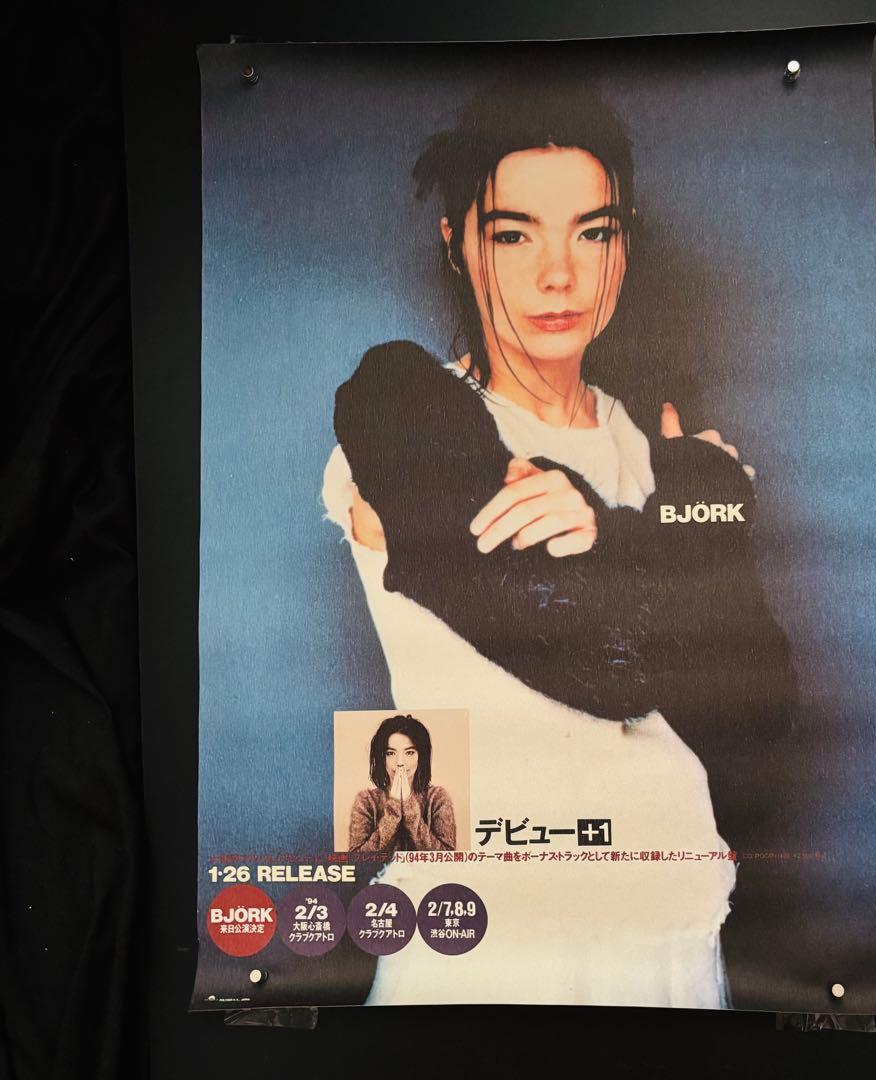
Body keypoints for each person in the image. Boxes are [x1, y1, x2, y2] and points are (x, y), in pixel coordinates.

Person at [322, 78, 796, 1008]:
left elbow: (758, 716)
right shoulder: (402, 424)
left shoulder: (659, 449)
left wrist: (654, 519)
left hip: (672, 932)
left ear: (625, 244)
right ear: (456, 243)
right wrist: (687, 532)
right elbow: (603, 661)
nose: (558, 274)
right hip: (475, 945)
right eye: (513, 233)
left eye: (592, 232)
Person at [348, 713, 457, 854]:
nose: (400, 762)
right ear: (382, 758)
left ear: (420, 756)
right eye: (390, 753)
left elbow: (448, 857)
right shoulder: (366, 801)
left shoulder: (438, 798)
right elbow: (356, 859)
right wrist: (393, 809)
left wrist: (409, 806)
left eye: (409, 753)